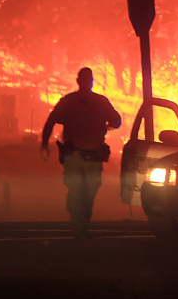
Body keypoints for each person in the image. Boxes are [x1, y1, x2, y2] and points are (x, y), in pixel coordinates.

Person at [41, 67, 122, 239]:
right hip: (74, 156)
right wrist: (44, 144)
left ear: (91, 82)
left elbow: (117, 120)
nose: (86, 82)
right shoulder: (69, 101)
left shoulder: (99, 102)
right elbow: (51, 121)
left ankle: (80, 224)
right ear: (78, 81)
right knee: (78, 192)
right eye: (83, 79)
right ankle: (79, 228)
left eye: (88, 80)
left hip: (92, 157)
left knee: (88, 194)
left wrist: (112, 123)